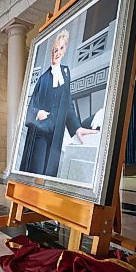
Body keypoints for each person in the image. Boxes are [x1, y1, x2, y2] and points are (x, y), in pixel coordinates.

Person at [20, 29, 99, 177]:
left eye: (61, 49)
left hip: (55, 133)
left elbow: (67, 103)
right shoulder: (43, 78)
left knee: (50, 173)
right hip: (40, 133)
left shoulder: (65, 73)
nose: (57, 53)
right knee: (37, 172)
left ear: (65, 49)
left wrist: (77, 128)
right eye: (55, 49)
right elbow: (32, 105)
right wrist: (38, 113)